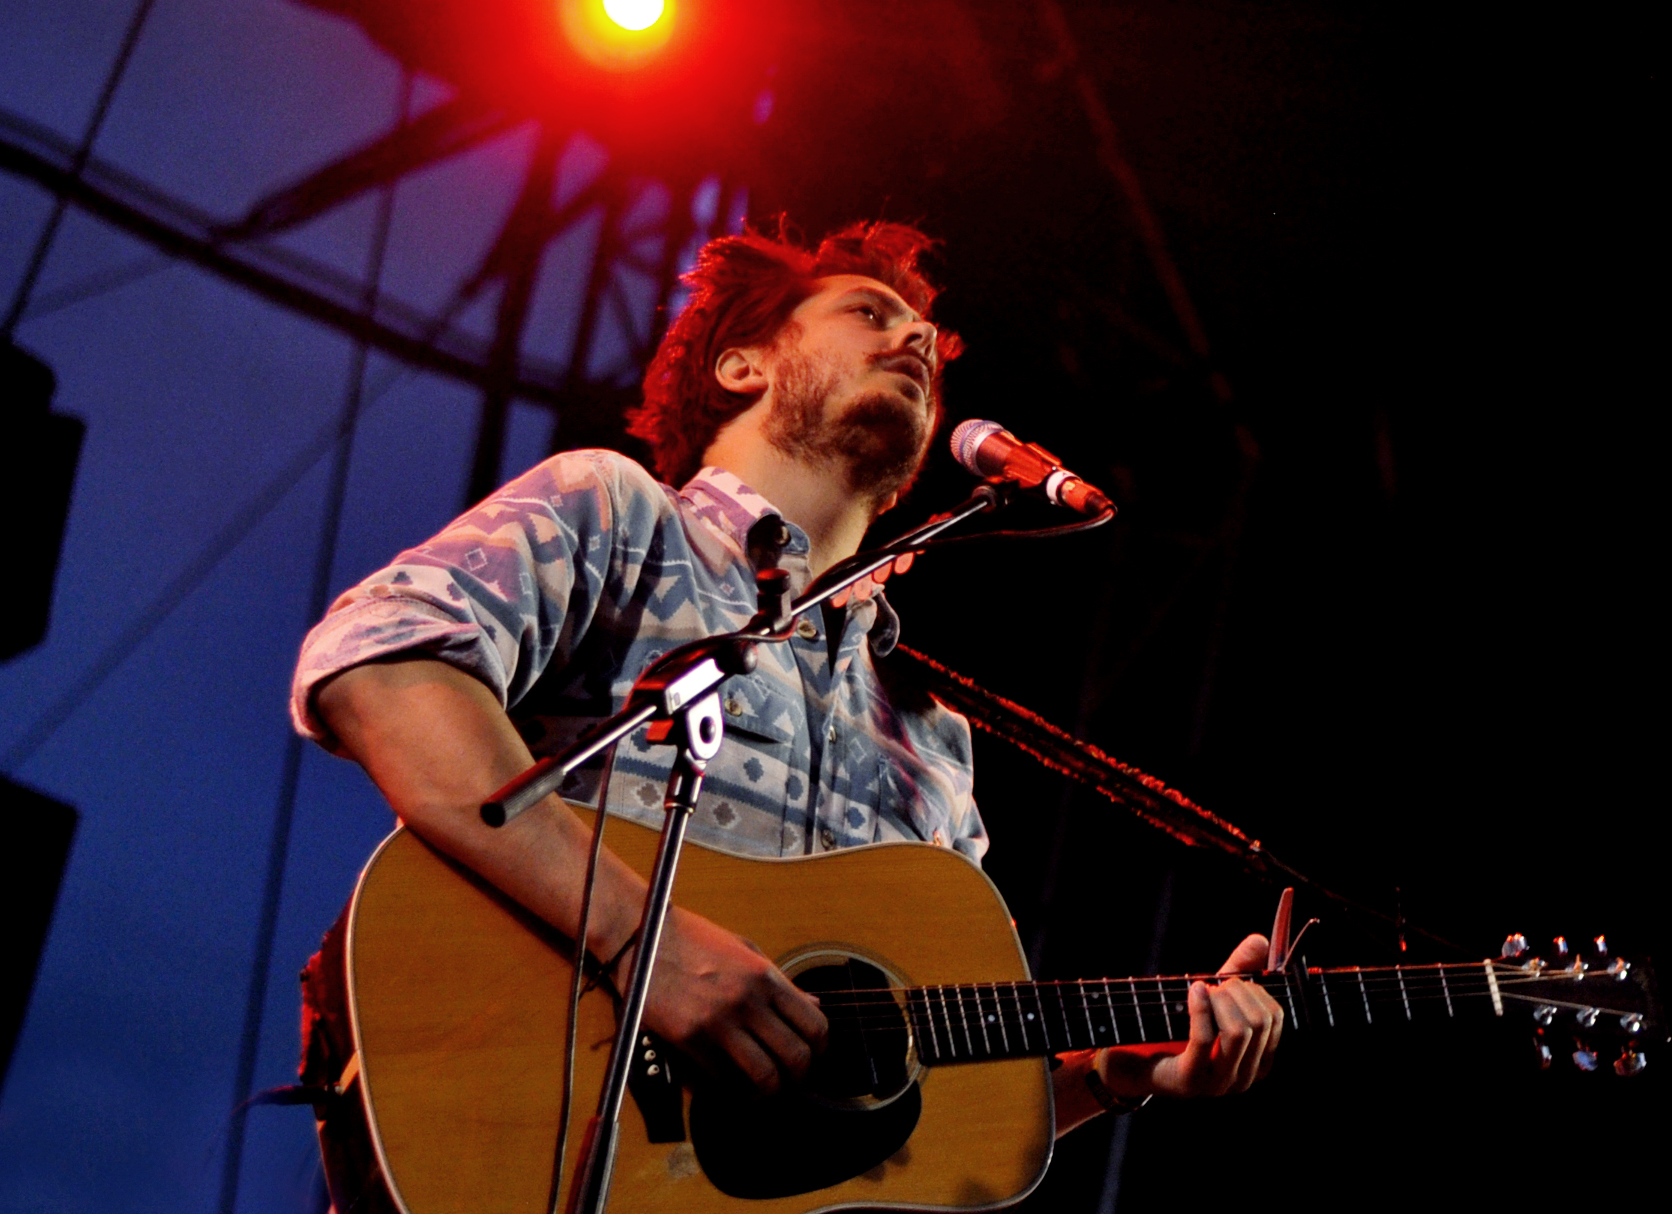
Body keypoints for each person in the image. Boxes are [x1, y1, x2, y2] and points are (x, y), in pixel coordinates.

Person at [289, 221, 1279, 1208]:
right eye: (869, 312)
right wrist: (645, 943)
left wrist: (1111, 1075)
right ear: (742, 362)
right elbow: (379, 664)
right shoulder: (618, 513)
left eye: (927, 341)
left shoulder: (932, 738)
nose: (915, 340)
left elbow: (917, 1104)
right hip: (516, 1129)